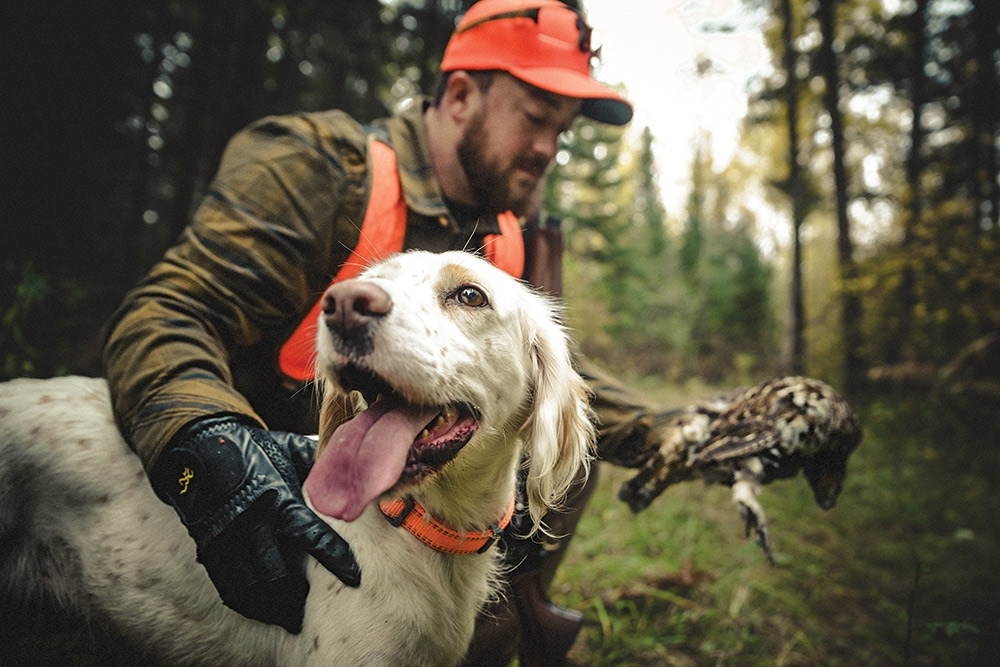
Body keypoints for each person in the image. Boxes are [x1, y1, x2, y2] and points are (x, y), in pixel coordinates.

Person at [103, 0, 660, 663]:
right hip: (234, 513)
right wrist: (207, 445)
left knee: (570, 456)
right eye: (536, 118)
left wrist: (686, 427)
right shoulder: (319, 166)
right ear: (459, 96)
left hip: (423, 514)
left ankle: (503, 626)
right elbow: (167, 312)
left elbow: (561, 380)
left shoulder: (506, 235)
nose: (548, 148)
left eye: (561, 131)